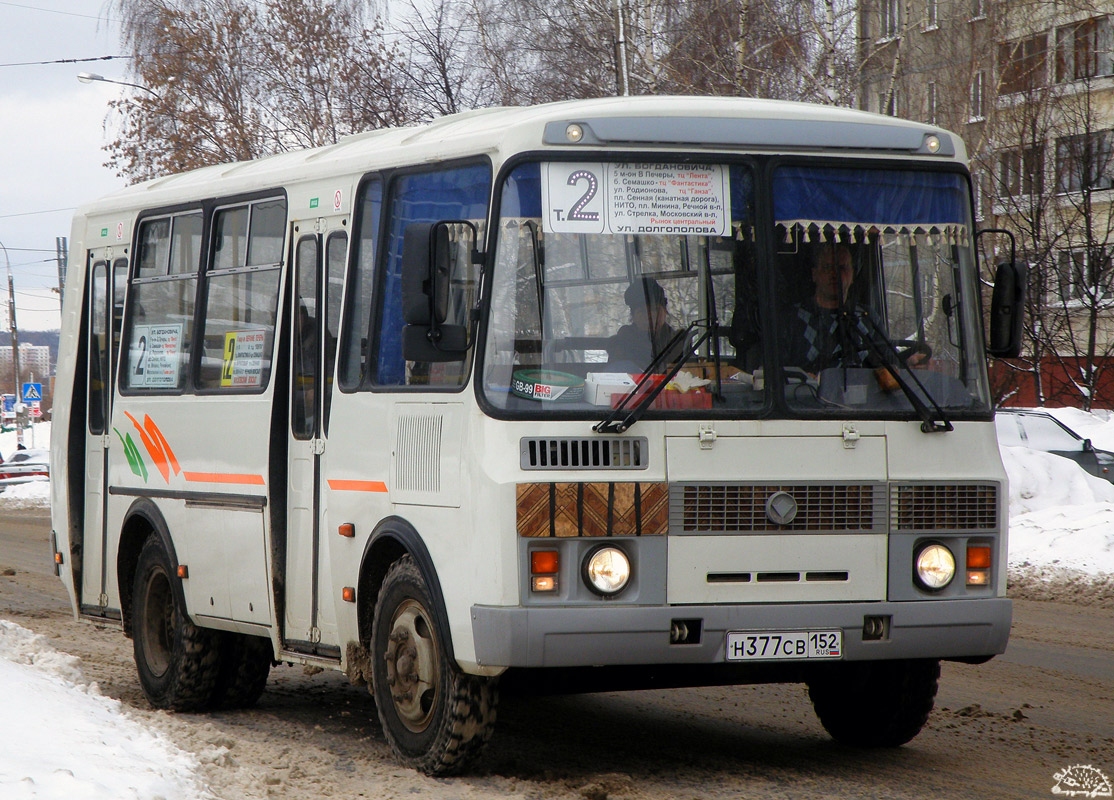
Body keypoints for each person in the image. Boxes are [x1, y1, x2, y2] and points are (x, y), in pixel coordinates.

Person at [781, 241, 875, 374]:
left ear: (852, 274)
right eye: (827, 267)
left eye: (842, 268)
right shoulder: (791, 319)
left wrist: (907, 362)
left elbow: (887, 365)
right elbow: (777, 376)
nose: (834, 274)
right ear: (814, 274)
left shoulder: (867, 318)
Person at [608, 277, 684, 370]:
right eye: (643, 311)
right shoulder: (622, 344)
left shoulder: (677, 342)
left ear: (665, 311)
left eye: (656, 309)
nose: (651, 316)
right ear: (633, 316)